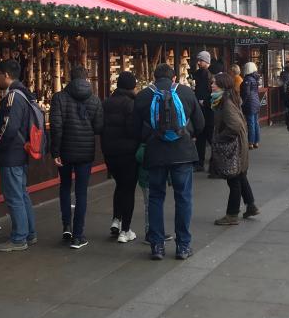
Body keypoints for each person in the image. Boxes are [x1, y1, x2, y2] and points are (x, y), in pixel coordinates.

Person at [133, 62, 204, 261]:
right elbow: (200, 124)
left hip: (155, 153)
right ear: (174, 78)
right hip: (182, 153)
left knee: (156, 197)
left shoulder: (143, 96)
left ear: (154, 78)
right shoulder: (187, 92)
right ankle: (183, 246)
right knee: (183, 198)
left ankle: (157, 246)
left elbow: (133, 129)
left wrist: (148, 138)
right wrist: (188, 134)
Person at [50, 65, 104, 250]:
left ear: (69, 78)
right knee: (82, 192)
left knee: (65, 186)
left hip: (64, 151)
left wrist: (55, 152)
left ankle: (66, 225)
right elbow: (98, 127)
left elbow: (56, 127)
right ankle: (78, 235)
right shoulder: (95, 100)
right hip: (85, 152)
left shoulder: (59, 97)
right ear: (87, 78)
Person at [0, 58, 37, 252]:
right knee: (21, 193)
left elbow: (8, 128)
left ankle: (19, 238)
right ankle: (29, 233)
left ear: (6, 75)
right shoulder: (25, 94)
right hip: (20, 151)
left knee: (14, 195)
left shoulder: (13, 97)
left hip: (11, 153)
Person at [210, 73, 258, 225]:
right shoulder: (227, 99)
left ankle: (232, 215)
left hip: (233, 148)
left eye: (214, 83)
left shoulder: (226, 103)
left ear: (223, 85)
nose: (212, 85)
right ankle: (251, 205)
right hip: (238, 145)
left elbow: (235, 126)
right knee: (241, 175)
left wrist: (219, 138)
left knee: (234, 180)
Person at [102, 71, 140, 243]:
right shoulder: (131, 104)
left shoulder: (106, 103)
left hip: (110, 152)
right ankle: (125, 230)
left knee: (120, 186)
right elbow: (132, 130)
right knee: (128, 189)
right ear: (132, 86)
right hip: (128, 153)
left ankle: (116, 220)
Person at [192, 51, 214, 173]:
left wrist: (203, 102)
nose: (199, 62)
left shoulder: (207, 76)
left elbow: (211, 94)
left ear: (207, 62)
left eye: (201, 60)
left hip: (206, 112)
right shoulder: (201, 74)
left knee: (207, 138)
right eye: (198, 60)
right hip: (204, 112)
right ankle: (202, 163)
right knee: (203, 138)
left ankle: (206, 162)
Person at [240, 61, 262, 149]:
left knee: (251, 123)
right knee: (256, 123)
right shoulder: (255, 78)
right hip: (256, 102)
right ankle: (256, 141)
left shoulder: (247, 79)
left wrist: (242, 103)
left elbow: (246, 93)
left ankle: (250, 142)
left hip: (250, 103)